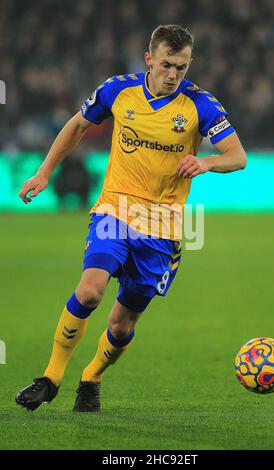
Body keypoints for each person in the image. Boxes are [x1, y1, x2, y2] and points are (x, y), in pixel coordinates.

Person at [16, 24, 247, 412]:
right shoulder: (117, 90)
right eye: (167, 65)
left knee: (122, 325)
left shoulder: (201, 105)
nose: (173, 75)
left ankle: (92, 377)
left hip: (162, 226)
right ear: (149, 60)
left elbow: (237, 156)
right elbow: (77, 126)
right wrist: (44, 172)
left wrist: (206, 161)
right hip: (115, 209)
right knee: (90, 291)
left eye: (182, 67)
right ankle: (51, 377)